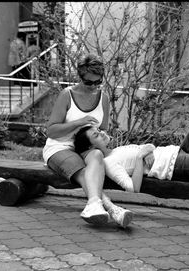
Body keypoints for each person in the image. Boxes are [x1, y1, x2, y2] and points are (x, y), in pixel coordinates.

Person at [42, 54, 133, 228]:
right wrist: (79, 122)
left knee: (97, 154)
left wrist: (105, 138)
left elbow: (103, 128)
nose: (93, 87)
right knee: (83, 170)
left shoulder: (103, 98)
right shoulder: (67, 95)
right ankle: (111, 208)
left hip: (86, 147)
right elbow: (51, 130)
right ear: (80, 76)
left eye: (97, 82)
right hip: (60, 147)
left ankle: (94, 206)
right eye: (89, 82)